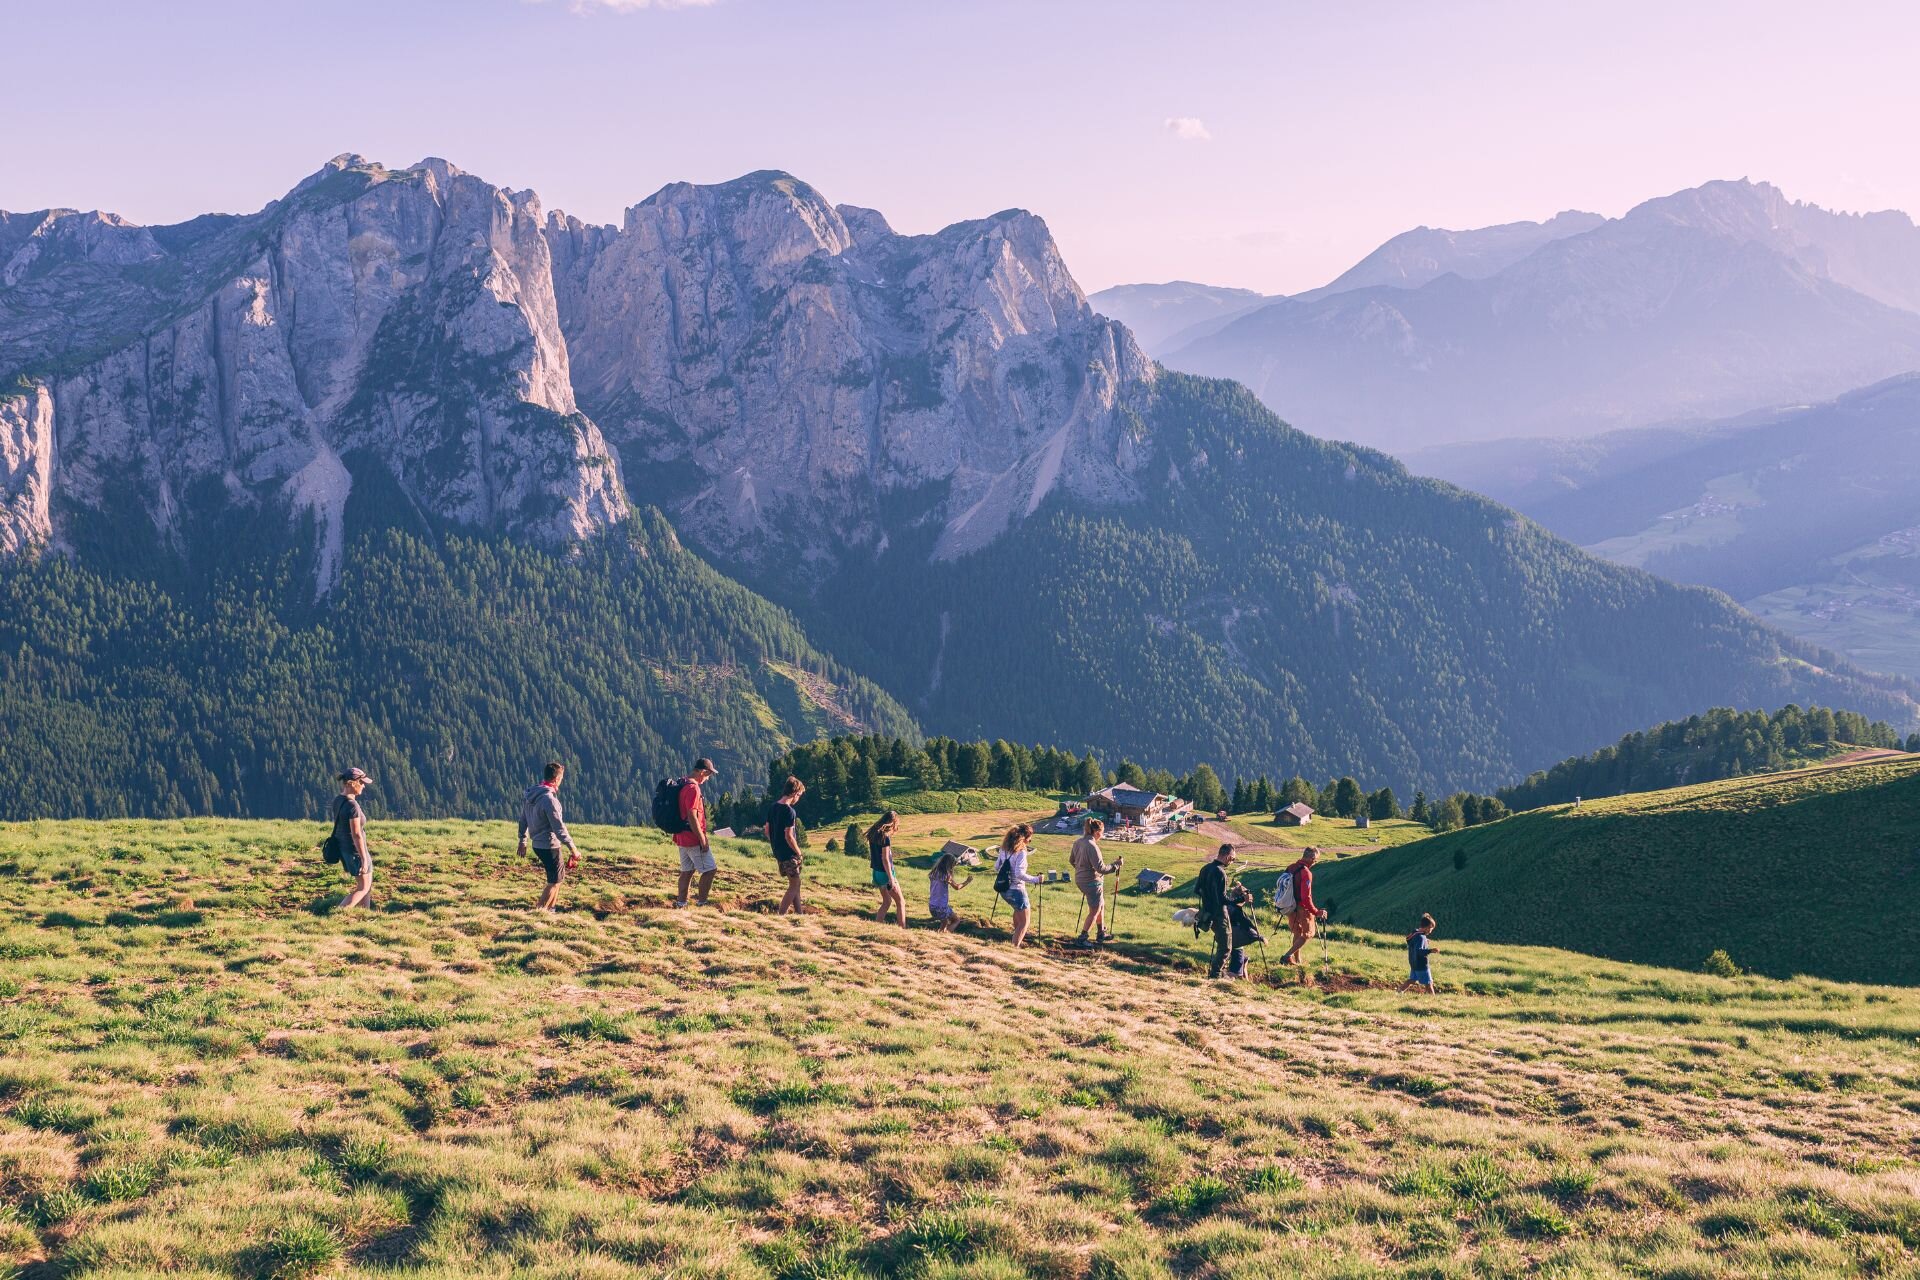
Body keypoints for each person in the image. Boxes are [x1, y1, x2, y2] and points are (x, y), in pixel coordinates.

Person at [517, 761, 579, 912]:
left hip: (537, 844)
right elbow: (559, 828)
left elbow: (523, 820)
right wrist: (573, 849)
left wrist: (522, 841)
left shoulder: (531, 795)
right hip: (550, 845)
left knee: (558, 878)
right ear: (556, 779)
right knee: (554, 881)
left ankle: (551, 909)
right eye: (561, 779)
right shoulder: (550, 800)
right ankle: (540, 911)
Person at [1068, 817, 1123, 948]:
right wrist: (1116, 865)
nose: (1102, 835)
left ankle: (1101, 933)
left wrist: (1082, 870)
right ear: (1097, 832)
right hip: (1092, 882)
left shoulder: (1078, 842)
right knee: (1095, 910)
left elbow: (1071, 860)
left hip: (1080, 879)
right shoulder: (1092, 846)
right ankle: (1083, 938)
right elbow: (1101, 869)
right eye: (1102, 832)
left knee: (1100, 904)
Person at [673, 758, 719, 909]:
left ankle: (681, 903)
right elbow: (692, 815)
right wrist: (702, 838)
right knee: (710, 870)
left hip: (681, 835)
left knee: (687, 871)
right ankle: (702, 904)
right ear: (702, 772)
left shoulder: (682, 782)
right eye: (708, 775)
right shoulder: (693, 788)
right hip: (692, 838)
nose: (708, 778)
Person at [331, 767, 374, 911]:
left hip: (345, 848)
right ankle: (339, 912)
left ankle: (364, 915)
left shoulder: (338, 800)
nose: (364, 786)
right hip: (355, 851)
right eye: (361, 782)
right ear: (352, 783)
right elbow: (356, 834)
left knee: (366, 886)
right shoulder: (352, 806)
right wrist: (363, 858)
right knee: (363, 888)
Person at [992, 823, 1041, 947]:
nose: (1030, 840)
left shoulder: (1003, 849)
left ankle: (1017, 937)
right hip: (1017, 890)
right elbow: (1019, 874)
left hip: (1004, 889)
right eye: (1030, 838)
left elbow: (996, 867)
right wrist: (1036, 879)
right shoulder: (1021, 852)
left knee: (1017, 911)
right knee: (1025, 922)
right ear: (1024, 838)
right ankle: (1014, 947)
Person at [1279, 846, 1328, 966]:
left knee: (1297, 931)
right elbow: (1306, 897)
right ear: (1311, 858)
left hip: (1290, 906)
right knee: (1309, 933)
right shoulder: (1306, 873)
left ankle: (1297, 960)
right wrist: (1316, 912)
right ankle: (1287, 956)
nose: (1315, 863)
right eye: (1315, 860)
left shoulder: (1291, 867)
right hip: (1302, 907)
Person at [1197, 842, 1237, 978]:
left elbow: (1197, 890)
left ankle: (1218, 972)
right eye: (1233, 859)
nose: (1232, 862)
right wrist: (1238, 899)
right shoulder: (1221, 872)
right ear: (1228, 857)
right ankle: (1216, 974)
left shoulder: (1205, 868)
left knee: (1222, 943)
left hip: (1207, 912)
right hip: (1220, 914)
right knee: (1226, 946)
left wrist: (1207, 898)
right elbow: (1222, 899)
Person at [766, 775, 805, 915]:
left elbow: (767, 830)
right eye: (799, 795)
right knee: (794, 884)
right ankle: (781, 914)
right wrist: (798, 852)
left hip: (778, 853)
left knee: (795, 883)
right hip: (789, 854)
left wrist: (775, 844)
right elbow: (789, 836)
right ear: (795, 793)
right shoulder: (789, 811)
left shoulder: (773, 807)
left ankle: (800, 914)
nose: (798, 799)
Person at [867, 810, 906, 926]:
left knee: (887, 901)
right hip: (885, 873)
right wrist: (891, 879)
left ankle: (878, 925)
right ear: (892, 823)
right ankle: (903, 929)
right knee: (901, 902)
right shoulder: (885, 837)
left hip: (876, 872)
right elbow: (885, 859)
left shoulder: (873, 834)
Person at [928, 848, 971, 932]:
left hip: (932, 905)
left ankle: (941, 935)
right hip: (941, 907)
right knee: (956, 920)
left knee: (944, 923)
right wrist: (967, 881)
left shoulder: (933, 873)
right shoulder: (946, 876)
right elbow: (957, 887)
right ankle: (944, 936)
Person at [1399, 913, 1439, 993]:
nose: (1431, 931)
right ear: (1427, 927)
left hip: (1414, 963)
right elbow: (1419, 951)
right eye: (1431, 929)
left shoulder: (1415, 933)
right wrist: (1430, 950)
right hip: (1421, 965)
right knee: (1429, 984)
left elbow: (1413, 944)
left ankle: (1399, 992)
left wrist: (1425, 942)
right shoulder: (1421, 937)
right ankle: (1434, 999)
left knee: (1412, 980)